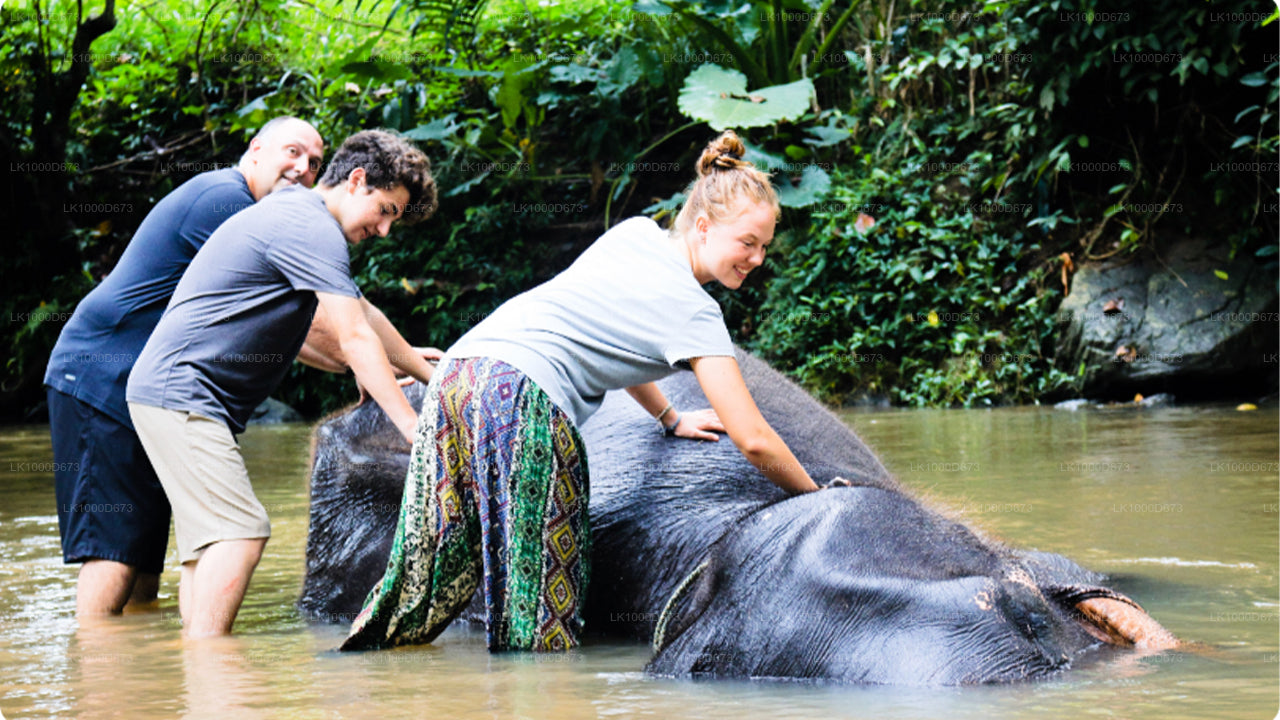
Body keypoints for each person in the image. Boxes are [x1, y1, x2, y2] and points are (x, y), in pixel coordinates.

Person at [341, 130, 821, 654]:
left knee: (422, 580)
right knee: (540, 611)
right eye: (747, 243)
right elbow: (753, 438)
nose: (756, 258)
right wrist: (816, 496)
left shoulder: (635, 234)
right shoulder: (696, 312)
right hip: (520, 396)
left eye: (764, 247)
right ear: (704, 227)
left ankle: (346, 672)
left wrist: (669, 416)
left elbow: (612, 331)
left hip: (457, 378)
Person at [125, 128, 439, 638]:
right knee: (241, 533)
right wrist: (411, 426)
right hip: (183, 393)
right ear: (356, 180)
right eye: (385, 210)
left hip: (169, 393)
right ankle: (211, 665)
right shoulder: (311, 226)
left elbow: (363, 315)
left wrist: (431, 375)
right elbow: (354, 337)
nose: (384, 230)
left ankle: (193, 671)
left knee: (208, 549)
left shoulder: (299, 215)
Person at [44, 116, 326, 617]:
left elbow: (295, 323)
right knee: (113, 551)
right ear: (256, 149)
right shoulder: (225, 202)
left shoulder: (253, 216)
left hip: (147, 394)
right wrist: (381, 364)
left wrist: (367, 365)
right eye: (293, 152)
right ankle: (93, 661)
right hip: (98, 378)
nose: (303, 168)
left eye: (315, 163)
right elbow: (321, 314)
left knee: (141, 562)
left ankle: (143, 664)